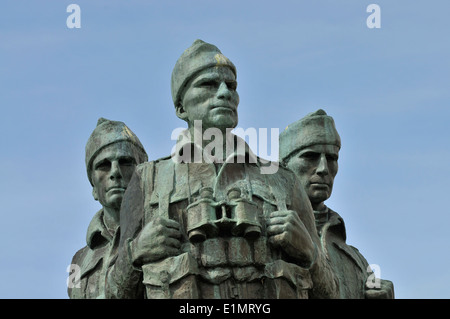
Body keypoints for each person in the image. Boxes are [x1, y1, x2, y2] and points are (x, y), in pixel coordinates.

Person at [105, 40, 339, 299]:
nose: (225, 93)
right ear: (181, 107)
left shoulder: (283, 181)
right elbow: (114, 294)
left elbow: (331, 294)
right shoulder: (147, 181)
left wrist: (310, 253)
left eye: (232, 86)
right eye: (208, 84)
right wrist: (135, 251)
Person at [279, 109, 394, 298]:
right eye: (310, 156)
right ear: (283, 165)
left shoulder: (356, 262)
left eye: (331, 158)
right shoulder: (263, 232)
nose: (323, 168)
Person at [68, 118, 148, 299]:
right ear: (94, 188)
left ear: (144, 173)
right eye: (103, 165)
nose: (115, 172)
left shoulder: (160, 229)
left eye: (126, 162)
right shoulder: (79, 261)